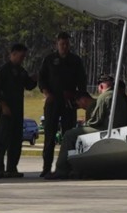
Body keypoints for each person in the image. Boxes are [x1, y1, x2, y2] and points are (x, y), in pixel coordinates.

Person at [36, 32, 88, 179]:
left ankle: (68, 167)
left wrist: (79, 99)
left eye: (66, 44)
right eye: (61, 44)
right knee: (49, 136)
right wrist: (47, 94)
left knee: (68, 136)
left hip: (69, 103)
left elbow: (81, 82)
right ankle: (46, 168)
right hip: (53, 101)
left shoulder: (75, 61)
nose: (64, 46)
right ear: (57, 44)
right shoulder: (49, 60)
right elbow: (42, 79)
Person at [0, 44, 36, 178]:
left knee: (16, 141)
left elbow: (28, 85)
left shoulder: (21, 71)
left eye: (24, 57)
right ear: (13, 54)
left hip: (18, 110)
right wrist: (3, 104)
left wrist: (35, 79)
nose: (23, 59)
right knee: (2, 140)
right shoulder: (4, 70)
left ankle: (12, 168)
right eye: (21, 56)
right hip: (6, 111)